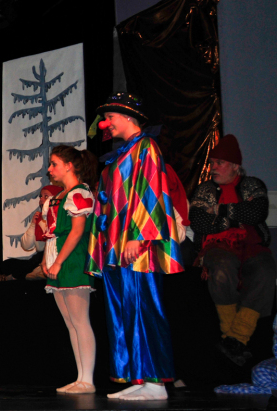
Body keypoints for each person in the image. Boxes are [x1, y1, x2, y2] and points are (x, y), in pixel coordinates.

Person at [86, 93, 184, 401]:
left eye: (110, 117)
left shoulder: (146, 147)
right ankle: (139, 378)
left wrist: (139, 236)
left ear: (128, 117)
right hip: (116, 248)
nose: (106, 124)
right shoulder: (121, 155)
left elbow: (152, 189)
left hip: (137, 247)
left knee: (144, 309)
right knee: (124, 313)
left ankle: (156, 383)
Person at [189, 134, 273, 366]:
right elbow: (199, 222)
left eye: (219, 163)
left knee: (265, 270)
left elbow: (257, 212)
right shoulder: (205, 189)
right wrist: (236, 216)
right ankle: (232, 335)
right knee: (221, 267)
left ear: (235, 166)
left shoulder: (253, 184)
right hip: (216, 246)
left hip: (252, 245)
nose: (213, 167)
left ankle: (236, 338)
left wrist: (220, 211)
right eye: (212, 163)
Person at [42, 146, 98, 394]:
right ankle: (80, 377)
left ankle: (88, 380)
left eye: (54, 163)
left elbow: (77, 232)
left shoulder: (80, 192)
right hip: (59, 258)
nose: (50, 169)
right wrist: (47, 259)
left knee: (80, 320)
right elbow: (53, 233)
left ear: (69, 166)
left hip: (73, 259)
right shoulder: (61, 195)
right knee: (70, 323)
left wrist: (58, 261)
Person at [0, 185, 61, 283]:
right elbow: (26, 245)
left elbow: (48, 243)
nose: (41, 199)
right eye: (40, 196)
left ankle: (10, 278)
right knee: (7, 264)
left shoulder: (59, 217)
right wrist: (33, 224)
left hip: (54, 256)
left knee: (37, 259)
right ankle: (28, 274)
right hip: (39, 259)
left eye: (46, 196)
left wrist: (42, 222)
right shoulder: (40, 218)